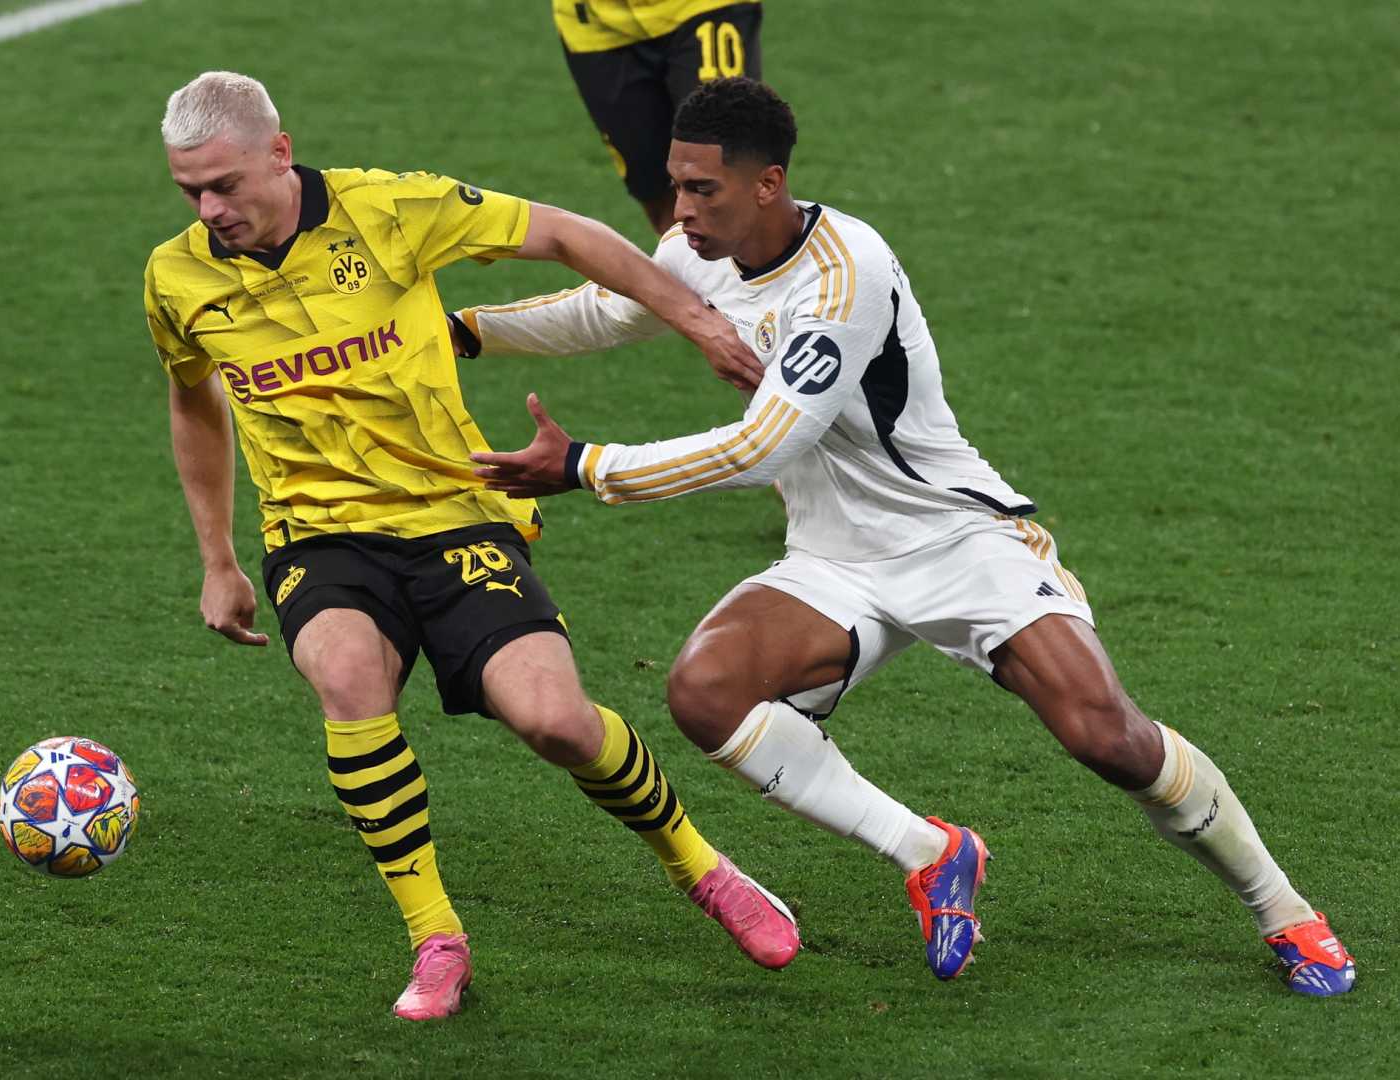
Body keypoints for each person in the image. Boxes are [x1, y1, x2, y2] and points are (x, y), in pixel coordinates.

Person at [457, 77, 1356, 996]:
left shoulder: (847, 273)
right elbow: (605, 309)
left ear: (768, 183)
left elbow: (765, 446)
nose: (680, 209)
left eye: (702, 190)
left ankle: (1285, 909)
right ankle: (930, 851)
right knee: (704, 692)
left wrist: (583, 467)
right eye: (677, 185)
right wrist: (460, 333)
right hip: (833, 558)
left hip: (956, 540)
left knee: (1106, 736)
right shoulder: (700, 248)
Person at [142, 70, 798, 1023]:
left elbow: (567, 233)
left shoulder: (389, 211)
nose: (211, 210)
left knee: (555, 723)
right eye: (190, 192)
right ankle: (435, 936)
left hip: (453, 514)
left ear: (279, 155)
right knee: (346, 678)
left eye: (225, 185)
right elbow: (191, 397)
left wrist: (695, 318)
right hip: (318, 536)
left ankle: (704, 868)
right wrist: (218, 558)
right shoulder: (178, 275)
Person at [555, 0, 763, 234]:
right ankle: (690, 266)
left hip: (703, 8)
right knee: (652, 184)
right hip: (597, 25)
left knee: (724, 161)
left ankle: (774, 264)